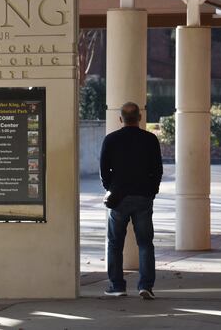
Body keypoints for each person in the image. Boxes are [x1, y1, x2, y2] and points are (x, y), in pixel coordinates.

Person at [100, 102, 163, 300]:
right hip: (143, 196)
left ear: (121, 119)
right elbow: (157, 169)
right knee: (145, 243)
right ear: (140, 117)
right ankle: (146, 285)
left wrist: (111, 188)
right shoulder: (150, 139)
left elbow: (104, 170)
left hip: (119, 198)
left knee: (115, 243)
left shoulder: (111, 140)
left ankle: (117, 285)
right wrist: (152, 191)